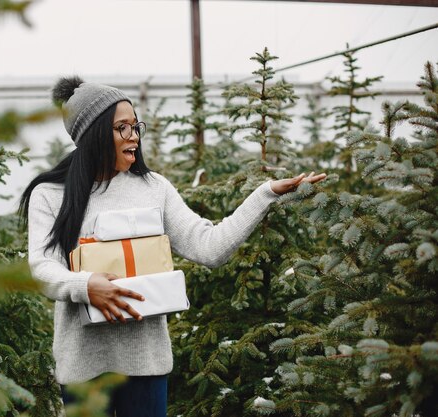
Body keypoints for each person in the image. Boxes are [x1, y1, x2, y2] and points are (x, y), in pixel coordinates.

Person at [19, 76, 326, 416]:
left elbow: (209, 248)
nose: (133, 135)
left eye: (135, 126)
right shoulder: (50, 195)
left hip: (146, 365)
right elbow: (42, 269)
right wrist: (85, 286)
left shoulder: (154, 188)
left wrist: (265, 194)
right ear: (93, 135)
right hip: (83, 369)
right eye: (122, 127)